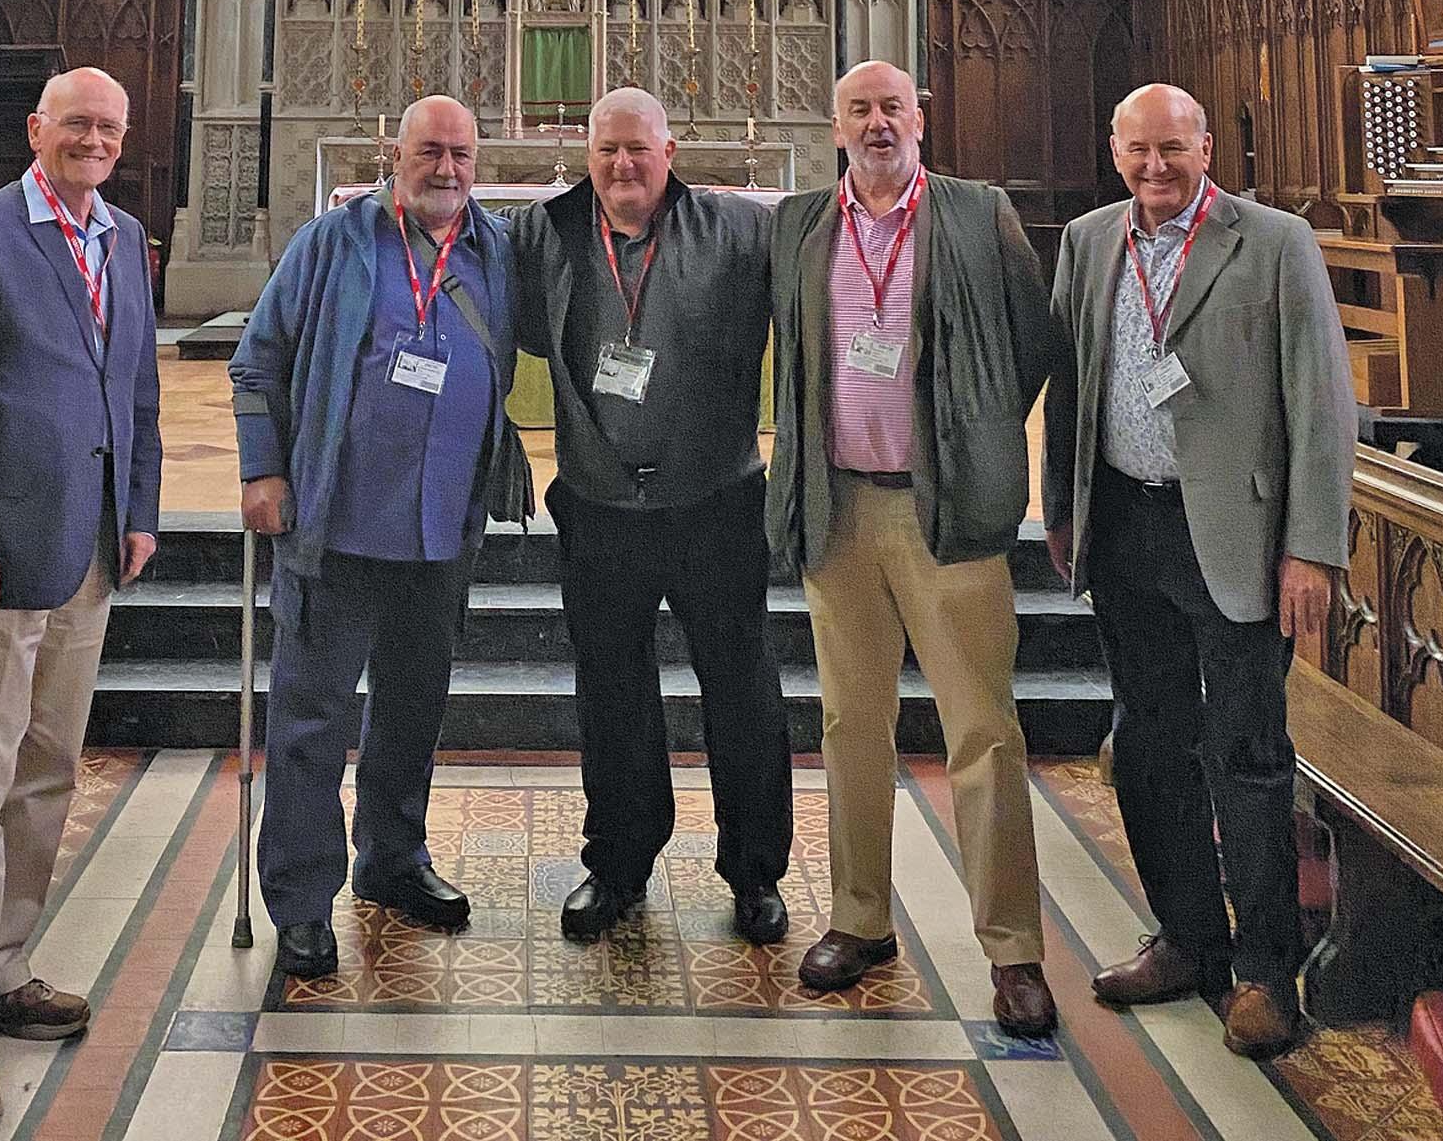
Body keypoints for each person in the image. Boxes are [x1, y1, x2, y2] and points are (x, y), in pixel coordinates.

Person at [1045, 83, 1355, 1059]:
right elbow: (1070, 383)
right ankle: (1186, 937)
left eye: (1172, 148)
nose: (1154, 166)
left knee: (1247, 750)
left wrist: (1313, 546)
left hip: (1234, 533)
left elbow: (1321, 403)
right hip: (1124, 525)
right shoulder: (1088, 240)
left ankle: (1264, 970)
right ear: (1113, 151)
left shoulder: (1273, 242)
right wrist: (1062, 509)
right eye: (1137, 150)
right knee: (1148, 742)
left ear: (1205, 147)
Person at [767, 59, 1059, 1038]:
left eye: (892, 106)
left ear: (919, 119)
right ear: (835, 124)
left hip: (947, 514)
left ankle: (1012, 948)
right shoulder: (800, 223)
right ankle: (859, 919)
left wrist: (975, 438)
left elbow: (1031, 342)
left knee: (982, 731)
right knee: (851, 723)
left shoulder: (978, 213)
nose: (877, 122)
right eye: (858, 109)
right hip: (839, 508)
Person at [0, 68, 162, 1131]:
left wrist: (139, 509)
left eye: (110, 127)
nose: (94, 139)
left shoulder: (123, 236)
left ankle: (2, 966)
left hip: (86, 551)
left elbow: (135, 388)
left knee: (45, 775)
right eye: (77, 123)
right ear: (36, 129)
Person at [230, 97, 530, 981]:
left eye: (461, 153)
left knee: (412, 705)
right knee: (311, 717)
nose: (446, 168)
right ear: (394, 154)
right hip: (337, 521)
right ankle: (301, 897)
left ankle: (392, 857)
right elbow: (258, 356)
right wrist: (263, 469)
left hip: (441, 527)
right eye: (429, 151)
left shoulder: (495, 251)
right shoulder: (332, 242)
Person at [515, 89, 791, 946]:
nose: (622, 164)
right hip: (599, 507)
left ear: (670, 151)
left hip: (715, 502)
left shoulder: (739, 229)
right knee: (612, 692)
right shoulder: (546, 231)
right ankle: (618, 863)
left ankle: (754, 870)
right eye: (607, 150)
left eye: (638, 148)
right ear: (586, 154)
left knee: (740, 689)